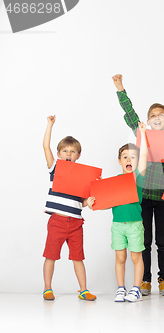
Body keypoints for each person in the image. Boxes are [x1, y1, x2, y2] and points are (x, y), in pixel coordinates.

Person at [112, 74, 164, 296]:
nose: (156, 118)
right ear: (148, 121)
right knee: (145, 241)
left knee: (163, 241)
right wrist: (121, 89)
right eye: (152, 116)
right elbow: (130, 115)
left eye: (161, 115)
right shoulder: (142, 135)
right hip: (141, 197)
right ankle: (146, 281)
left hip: (163, 197)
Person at [88, 122, 148, 302]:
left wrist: (143, 134)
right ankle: (121, 288)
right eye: (125, 157)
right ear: (119, 161)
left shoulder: (138, 178)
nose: (129, 160)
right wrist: (92, 203)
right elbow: (105, 203)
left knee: (136, 257)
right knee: (120, 257)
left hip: (135, 225)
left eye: (132, 157)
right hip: (117, 226)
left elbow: (144, 154)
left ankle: (136, 288)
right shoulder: (113, 182)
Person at [42, 115, 96, 301]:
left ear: (78, 156)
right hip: (56, 221)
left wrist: (87, 203)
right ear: (59, 154)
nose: (68, 154)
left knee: (78, 257)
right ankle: (47, 288)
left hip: (75, 223)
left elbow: (80, 201)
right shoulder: (55, 168)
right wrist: (50, 125)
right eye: (64, 151)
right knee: (51, 255)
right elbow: (45, 147)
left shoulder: (82, 175)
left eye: (72, 151)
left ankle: (83, 289)